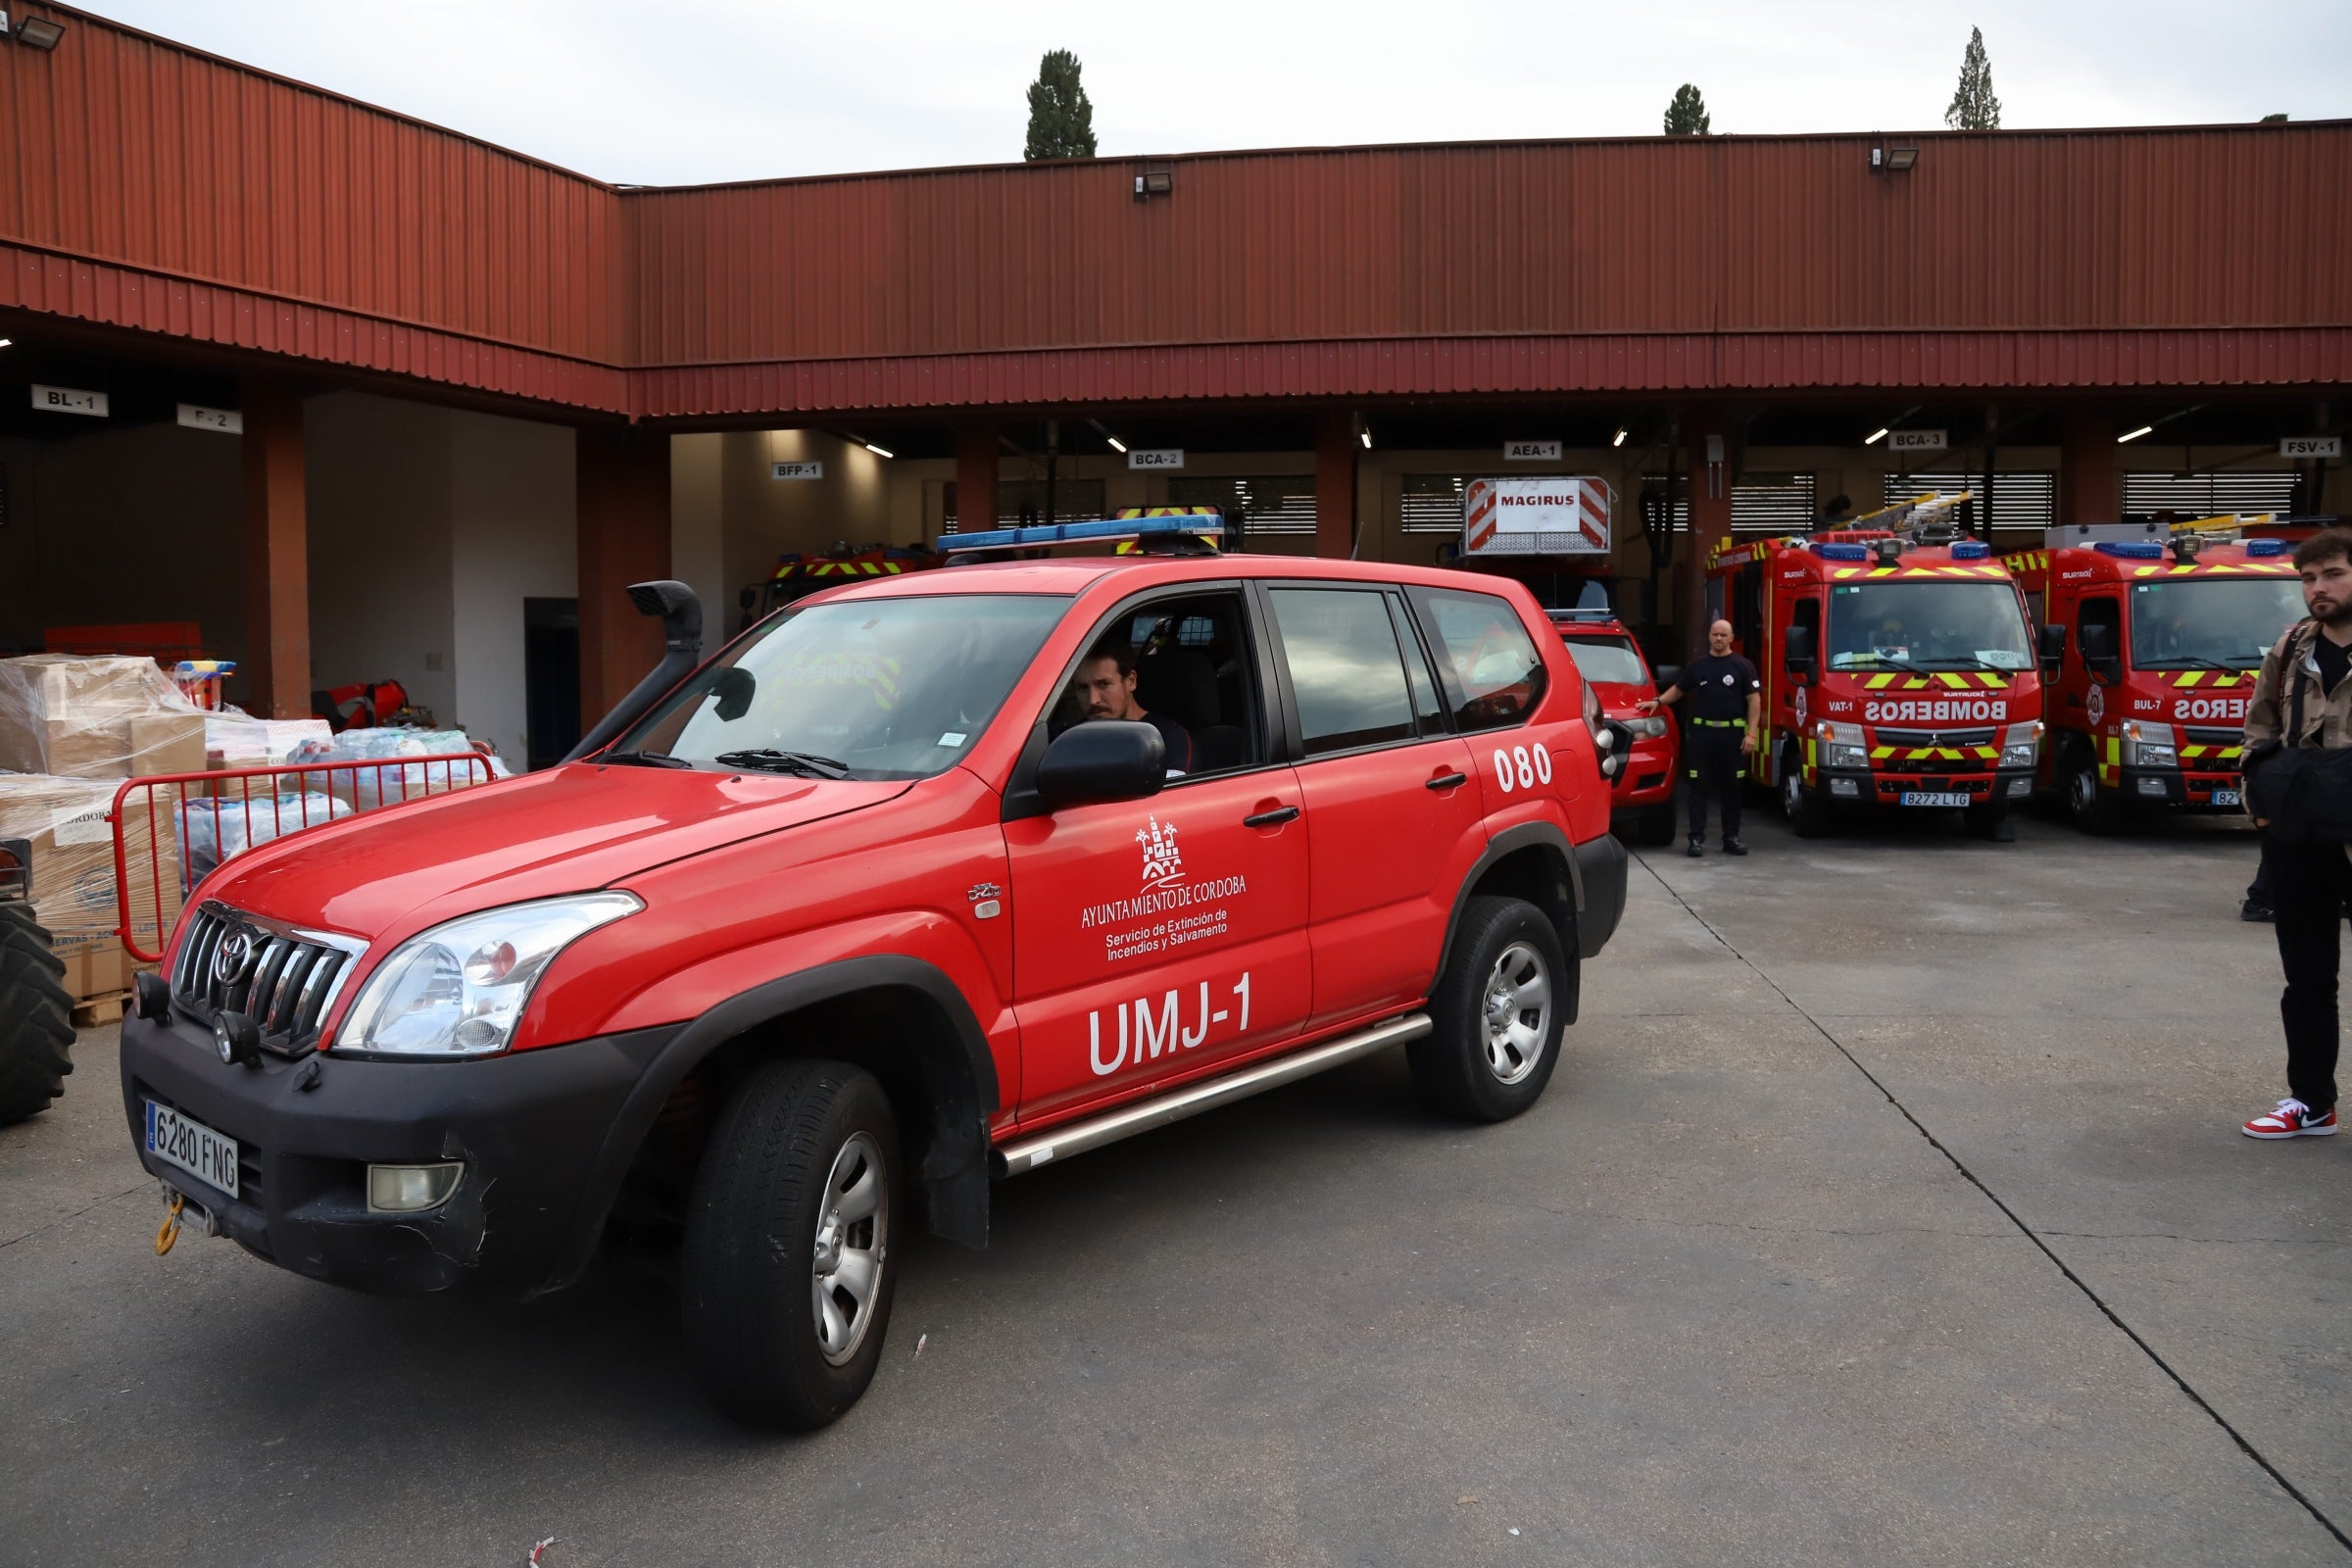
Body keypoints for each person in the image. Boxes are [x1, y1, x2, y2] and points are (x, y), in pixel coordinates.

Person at [2237, 527, 2352, 1139]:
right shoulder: (2291, 647)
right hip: (2300, 837)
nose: (2318, 589)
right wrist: (2261, 805)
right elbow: (2258, 731)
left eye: (2332, 573)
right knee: (2307, 980)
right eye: (2308, 578)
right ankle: (2311, 1102)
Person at [1640, 618, 1760, 858]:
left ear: (1731, 637)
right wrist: (1658, 701)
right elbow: (1679, 688)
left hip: (1732, 736)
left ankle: (1731, 838)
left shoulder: (1743, 666)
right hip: (1702, 736)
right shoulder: (1698, 666)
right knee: (1698, 787)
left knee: (1733, 788)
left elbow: (1754, 700)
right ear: (1709, 636)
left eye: (1723, 635)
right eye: (1715, 634)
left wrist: (1751, 734)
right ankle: (1696, 840)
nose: (1718, 639)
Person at [1074, 644, 1193, 775]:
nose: (1093, 700)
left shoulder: (1166, 737)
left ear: (1131, 681)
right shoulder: (1072, 739)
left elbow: (1171, 795)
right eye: (1083, 688)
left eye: (1104, 684)